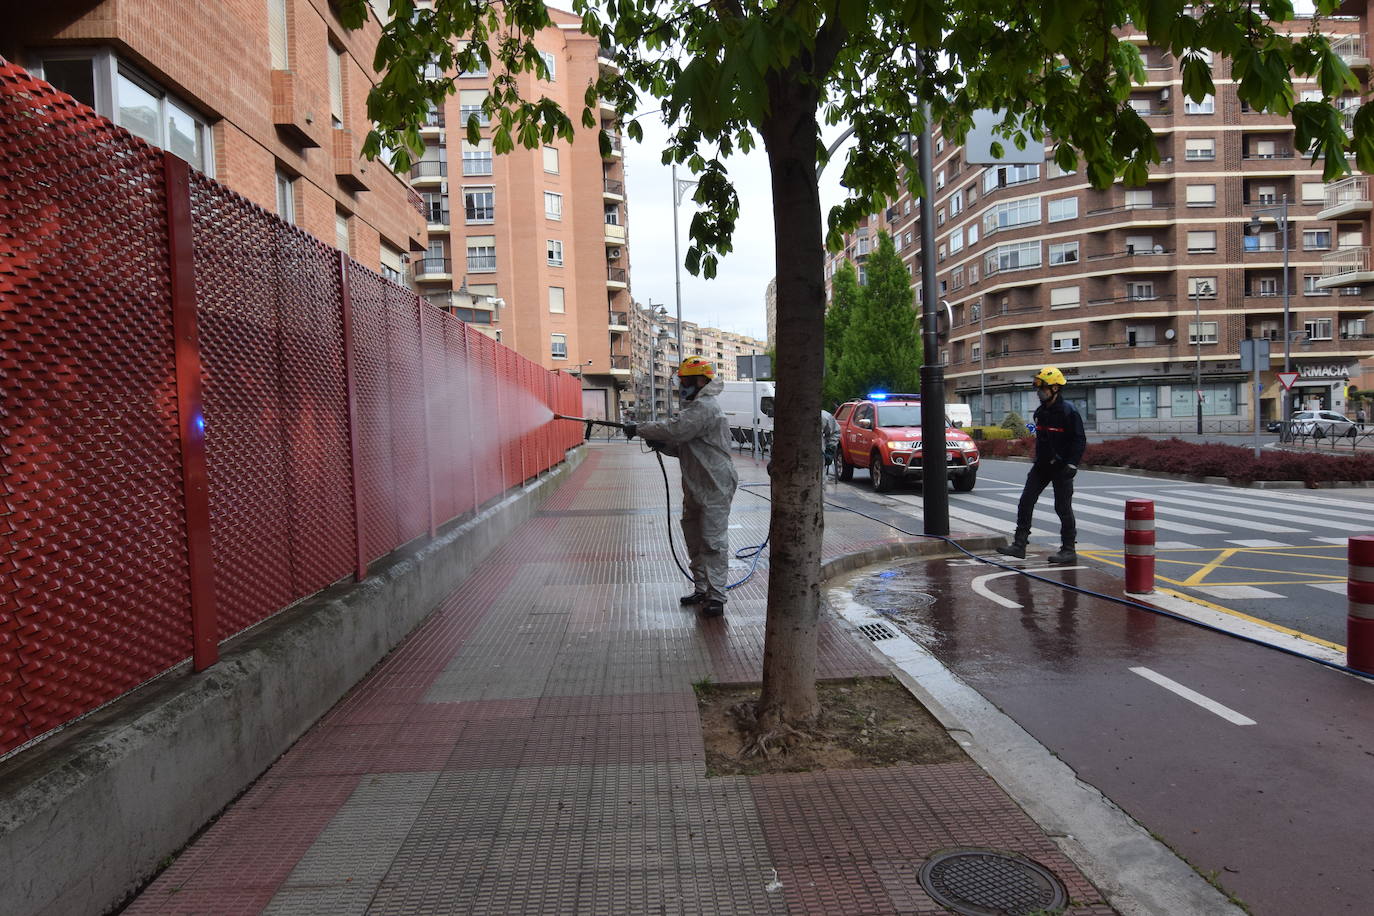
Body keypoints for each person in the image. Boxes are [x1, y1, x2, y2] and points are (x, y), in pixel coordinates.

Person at [624, 357, 739, 617]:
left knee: (712, 541)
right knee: (694, 538)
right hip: (697, 483)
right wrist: (662, 446)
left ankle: (716, 597)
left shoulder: (706, 406)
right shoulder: (696, 408)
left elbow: (676, 430)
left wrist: (641, 429)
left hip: (715, 483)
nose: (682, 385)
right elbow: (682, 445)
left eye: (686, 380)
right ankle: (701, 588)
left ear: (701, 380)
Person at [997, 366, 1087, 564]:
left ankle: (1068, 550)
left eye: (1043, 388)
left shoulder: (1068, 412)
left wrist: (1072, 464)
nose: (1039, 392)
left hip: (1062, 467)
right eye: (1038, 388)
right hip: (1042, 466)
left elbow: (1079, 440)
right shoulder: (1041, 412)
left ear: (1055, 389)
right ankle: (1019, 545)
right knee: (1025, 501)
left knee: (1062, 508)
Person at [821, 409, 841, 481]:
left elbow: (836, 431)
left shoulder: (823, 416)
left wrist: (830, 448)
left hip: (818, 456)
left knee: (820, 480)